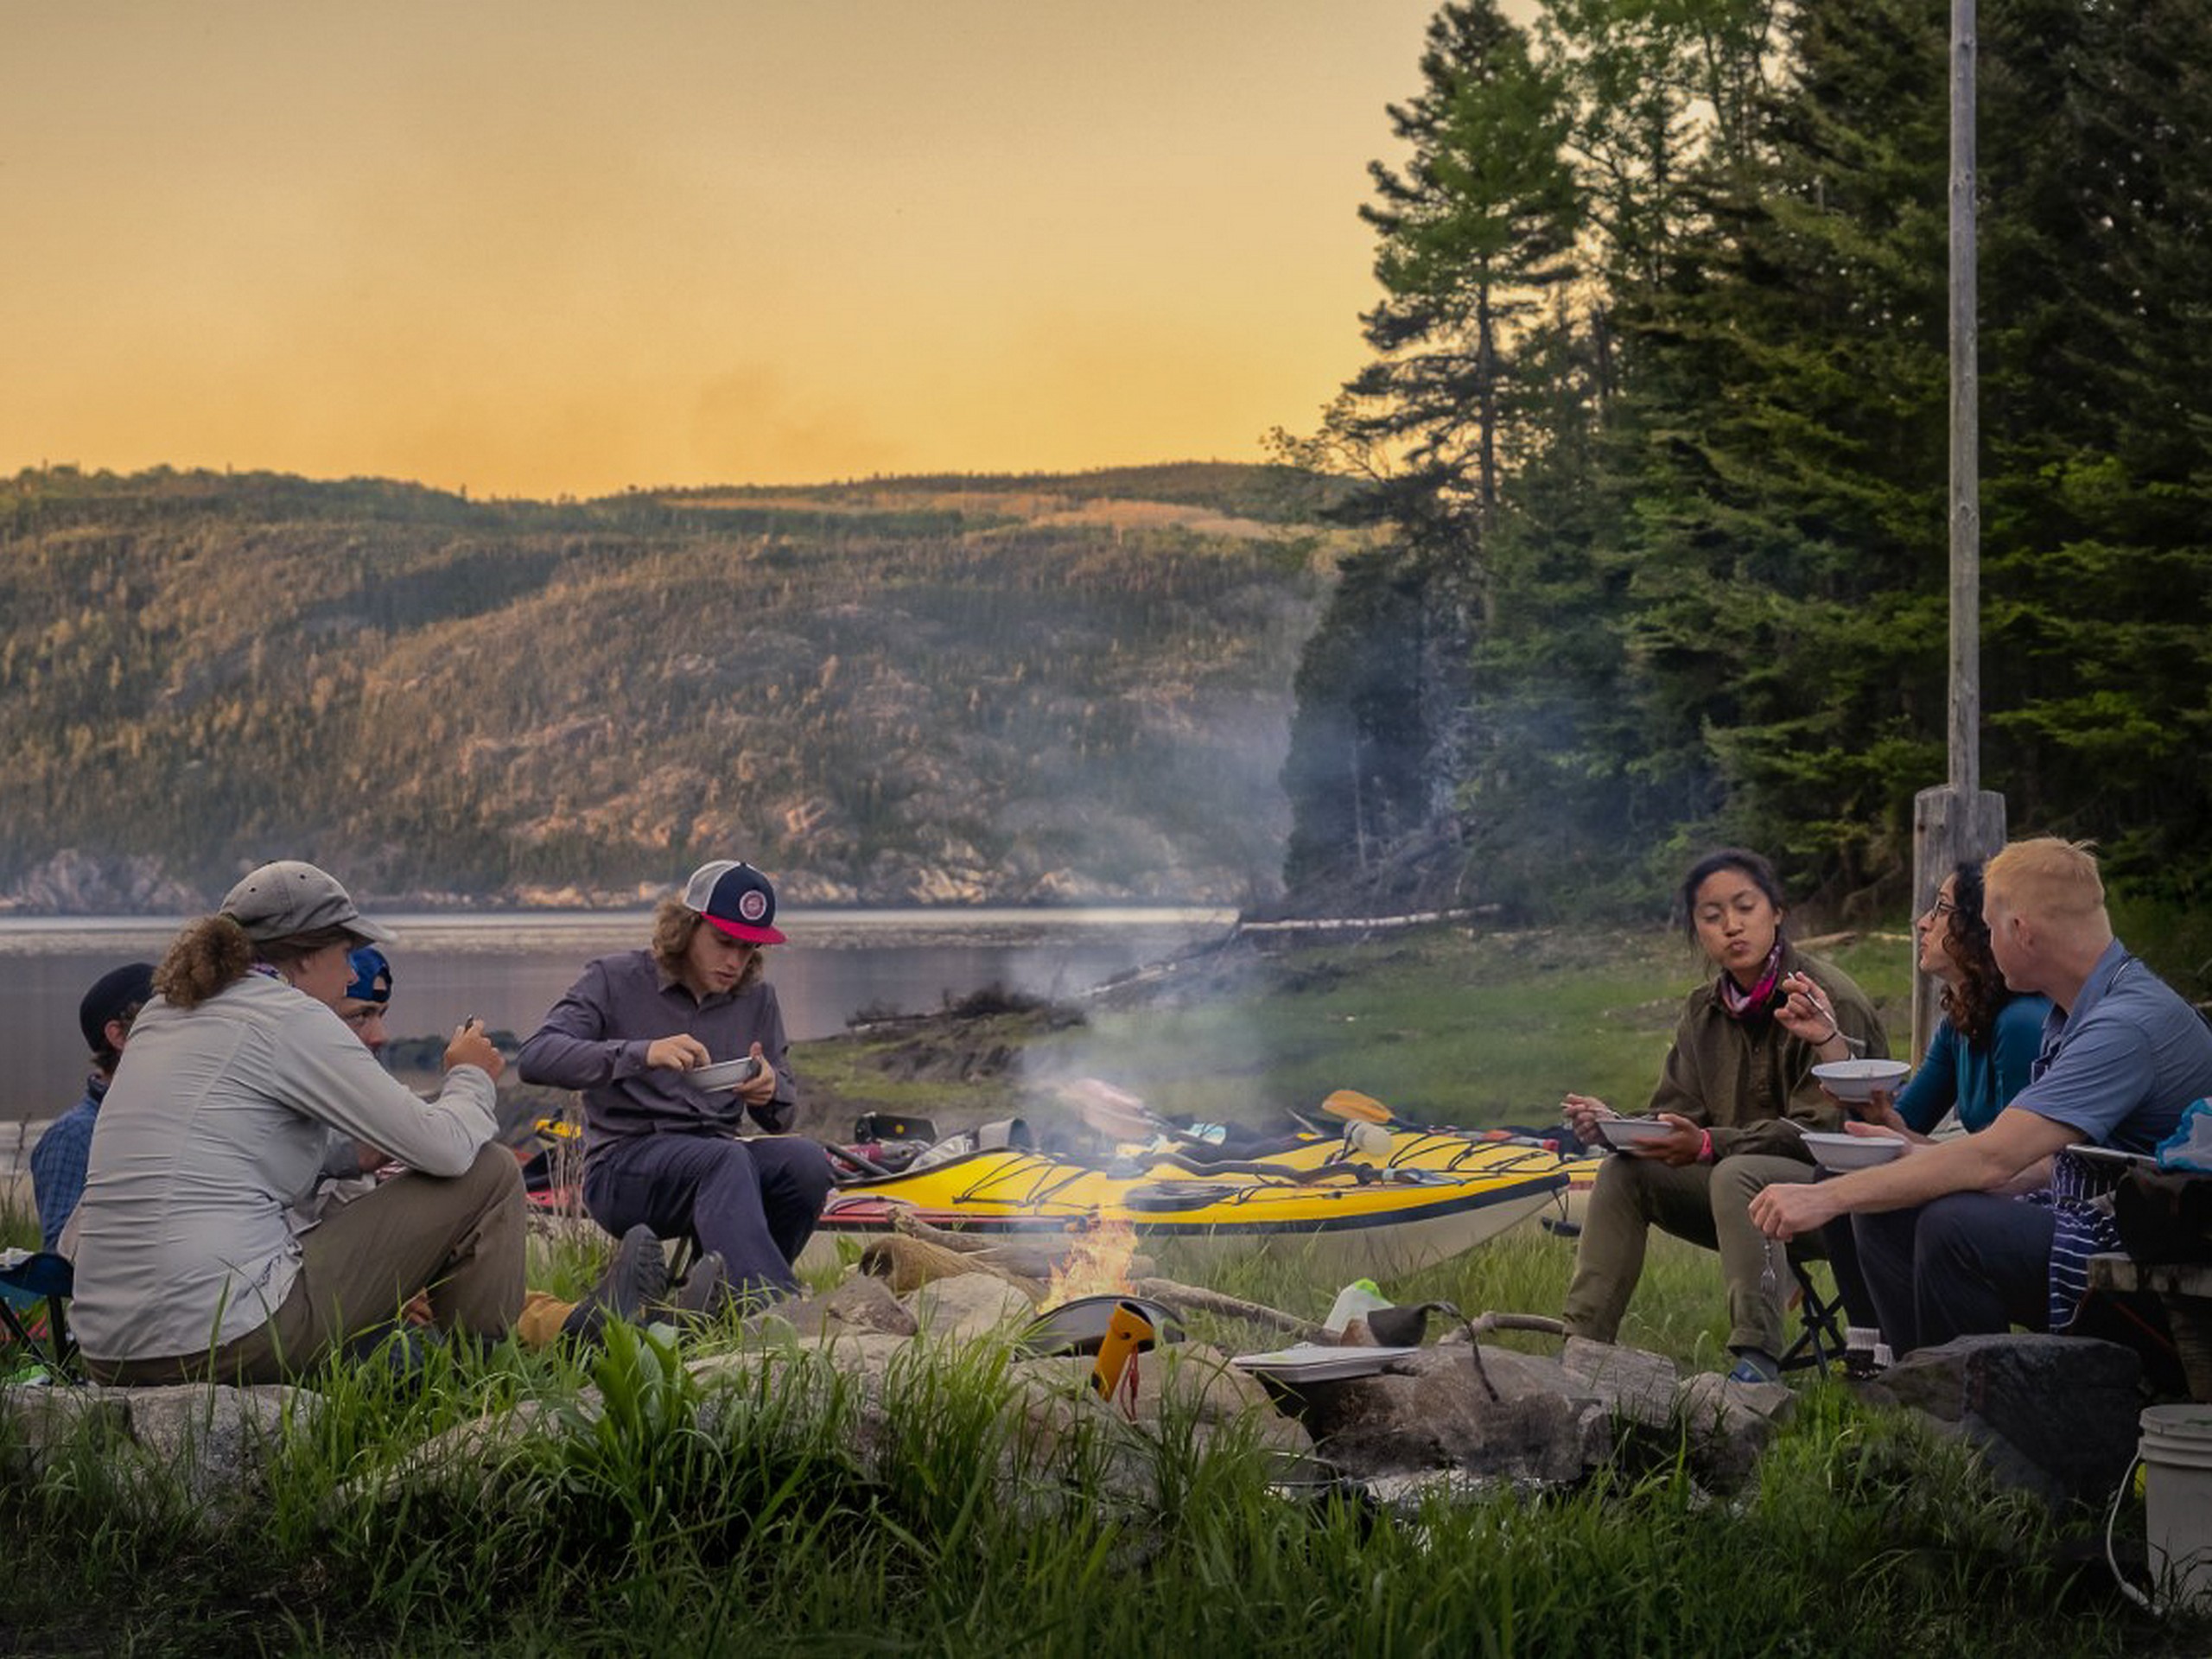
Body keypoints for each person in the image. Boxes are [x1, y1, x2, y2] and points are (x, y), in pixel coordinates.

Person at [71, 861, 528, 1383]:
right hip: (222, 1338)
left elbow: (228, 1147)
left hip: (108, 1353)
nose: (353, 973)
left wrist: (349, 1153)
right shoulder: (290, 1016)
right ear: (308, 955)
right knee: (488, 1172)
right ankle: (481, 1387)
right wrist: (469, 1078)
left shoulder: (162, 1014)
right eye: (345, 954)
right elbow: (448, 1150)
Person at [1752, 837, 2212, 1355]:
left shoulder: (2124, 1025)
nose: (1988, 942)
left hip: (2157, 1255)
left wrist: (1824, 1198)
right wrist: (1905, 1158)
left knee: (1956, 1228)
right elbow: (2044, 1164)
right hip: (2115, 1219)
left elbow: (1996, 1158)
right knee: (1890, 1208)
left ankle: (1977, 1416)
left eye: (1990, 929)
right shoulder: (2077, 1010)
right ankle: (1916, 1392)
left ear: (2020, 931)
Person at [1560, 849, 1888, 1383]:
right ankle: (1582, 1346)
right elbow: (1677, 1115)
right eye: (1712, 917)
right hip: (1738, 1199)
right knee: (1625, 1173)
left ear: (1777, 911)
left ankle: (1757, 1360)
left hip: (1843, 1202)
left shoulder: (1826, 999)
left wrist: (1710, 1145)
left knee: (1740, 1174)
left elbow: (1823, 1131)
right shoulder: (1703, 1010)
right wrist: (1619, 1127)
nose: (1731, 926)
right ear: (1696, 929)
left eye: (1745, 907)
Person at [518, 860, 832, 1306]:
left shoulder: (758, 999)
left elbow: (781, 1116)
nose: (734, 962)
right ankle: (770, 1311)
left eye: (748, 949)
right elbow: (536, 1057)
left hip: (719, 1164)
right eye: (724, 942)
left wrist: (769, 1090)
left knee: (805, 1162)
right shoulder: (614, 979)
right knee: (724, 1160)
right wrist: (640, 1053)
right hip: (623, 1169)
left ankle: (719, 1302)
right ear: (686, 927)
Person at [1817, 861, 2050, 1334]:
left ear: (1980, 930)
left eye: (1941, 910)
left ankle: (1924, 1364)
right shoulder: (1962, 1018)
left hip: (2033, 1198)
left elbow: (2021, 1166)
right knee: (1842, 1169)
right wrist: (1827, 1040)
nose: (1924, 921)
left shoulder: (2021, 1021)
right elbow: (1903, 1123)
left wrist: (1902, 1146)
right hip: (1986, 1178)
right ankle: (1871, 1347)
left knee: (1882, 1197)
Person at [29, 962, 155, 1252]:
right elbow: (61, 1257)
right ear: (119, 1036)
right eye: (160, 1022)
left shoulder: (172, 1118)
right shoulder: (73, 1136)